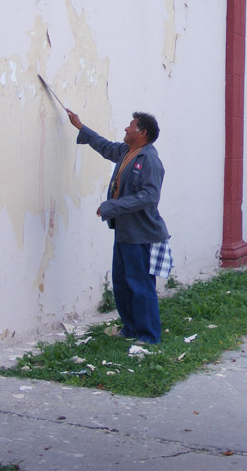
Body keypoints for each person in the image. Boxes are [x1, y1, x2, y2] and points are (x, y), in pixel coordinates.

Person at [66, 109, 171, 345]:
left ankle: (149, 335)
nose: (126, 128)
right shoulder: (126, 151)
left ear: (142, 132)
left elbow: (150, 197)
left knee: (140, 284)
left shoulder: (150, 160)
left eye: (131, 125)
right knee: (122, 282)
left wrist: (114, 206)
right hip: (124, 232)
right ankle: (131, 328)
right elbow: (104, 146)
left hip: (141, 234)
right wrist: (80, 127)